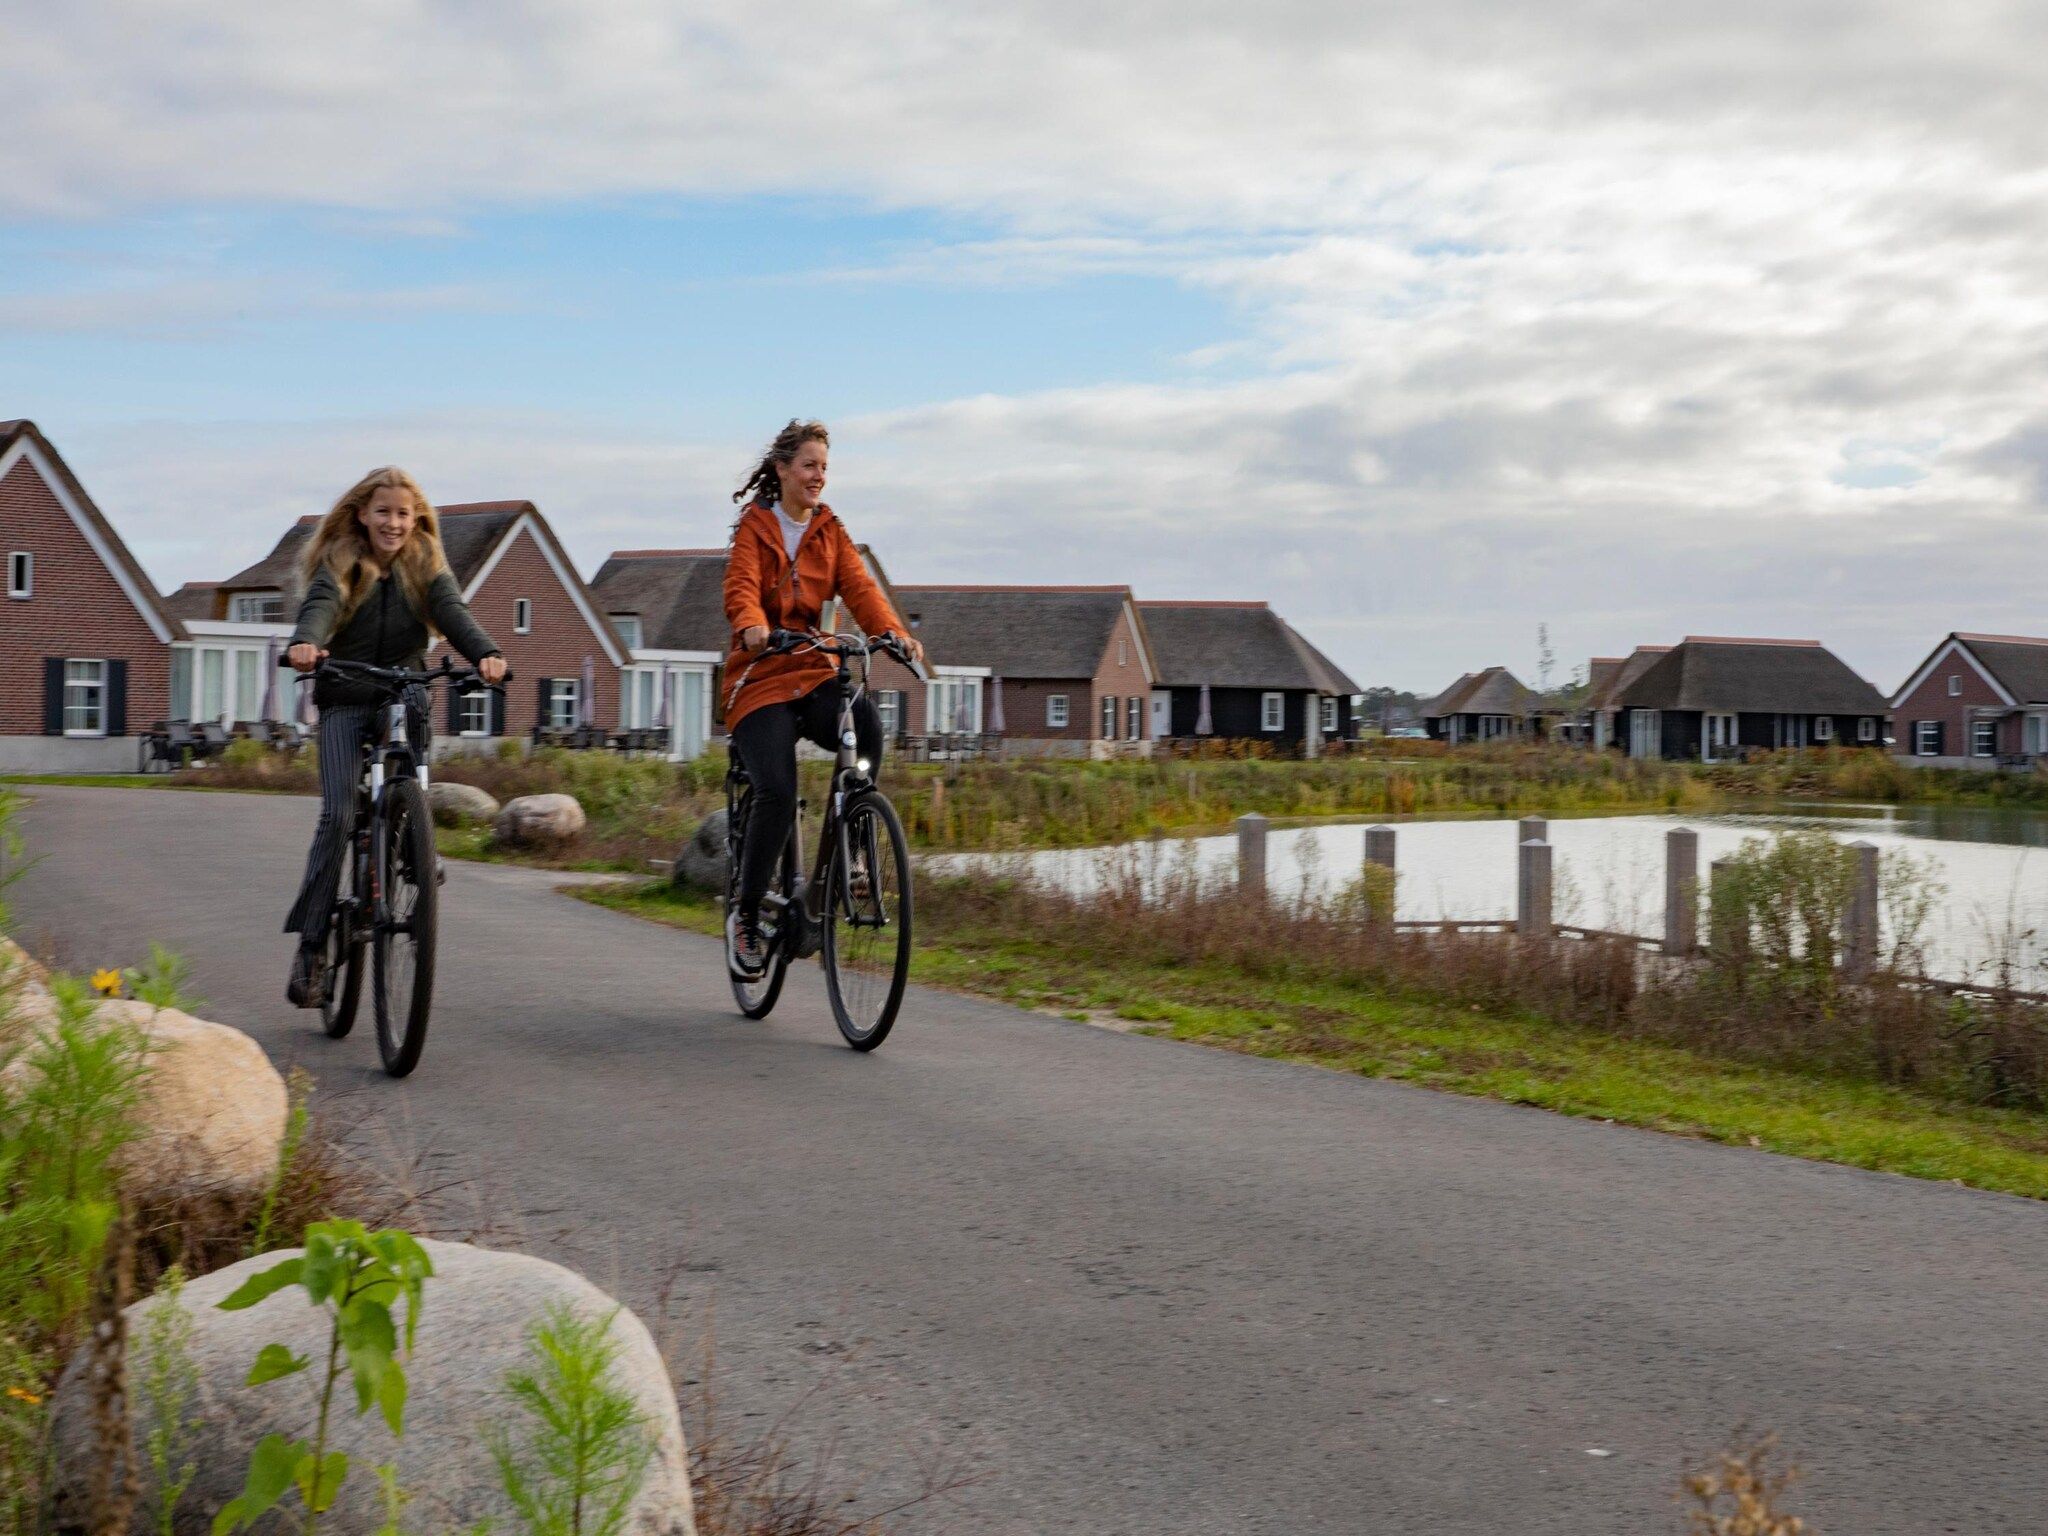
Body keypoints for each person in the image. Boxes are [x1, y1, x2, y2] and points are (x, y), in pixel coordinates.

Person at [281, 467, 507, 1006]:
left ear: (417, 517)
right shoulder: (340, 559)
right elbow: (321, 606)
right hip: (344, 692)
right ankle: (313, 948)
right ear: (362, 513)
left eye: (404, 513)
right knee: (337, 816)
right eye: (383, 511)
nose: (394, 522)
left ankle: (414, 837)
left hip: (401, 686)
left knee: (413, 711)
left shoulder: (426, 561)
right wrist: (305, 643)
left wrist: (486, 652)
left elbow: (453, 613)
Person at [723, 419, 922, 975]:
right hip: (759, 679)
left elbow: (859, 588)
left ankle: (853, 854)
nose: (818, 477)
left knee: (867, 731)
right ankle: (744, 917)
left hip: (812, 670)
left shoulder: (830, 530)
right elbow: (740, 586)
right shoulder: (754, 530)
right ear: (783, 469)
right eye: (809, 466)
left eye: (824, 468)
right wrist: (750, 623)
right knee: (778, 793)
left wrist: (892, 631)